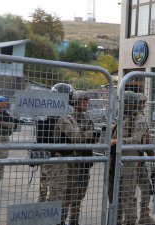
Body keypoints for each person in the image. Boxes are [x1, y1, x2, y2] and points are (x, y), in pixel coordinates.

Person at [110, 91, 148, 225]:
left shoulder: (140, 119)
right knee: (116, 194)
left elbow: (136, 139)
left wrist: (116, 142)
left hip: (130, 160)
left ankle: (130, 221)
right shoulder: (124, 118)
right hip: (117, 159)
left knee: (128, 194)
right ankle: (117, 220)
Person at [62, 93, 96, 225]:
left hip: (84, 162)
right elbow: (76, 138)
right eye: (83, 101)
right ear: (75, 102)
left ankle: (74, 221)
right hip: (71, 163)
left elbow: (93, 139)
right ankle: (61, 220)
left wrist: (89, 135)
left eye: (87, 101)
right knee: (67, 195)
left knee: (79, 196)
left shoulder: (88, 119)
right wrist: (89, 134)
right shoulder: (69, 118)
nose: (86, 103)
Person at [135, 93, 155, 225]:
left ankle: (144, 215)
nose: (143, 105)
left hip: (140, 159)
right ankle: (127, 217)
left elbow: (146, 139)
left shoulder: (142, 118)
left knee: (146, 188)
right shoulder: (131, 118)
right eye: (141, 103)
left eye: (144, 102)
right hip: (132, 160)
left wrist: (151, 153)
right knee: (128, 190)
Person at [0, 96, 15, 191]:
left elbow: (13, 125)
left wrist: (1, 123)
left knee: (0, 164)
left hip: (3, 140)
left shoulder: (7, 115)